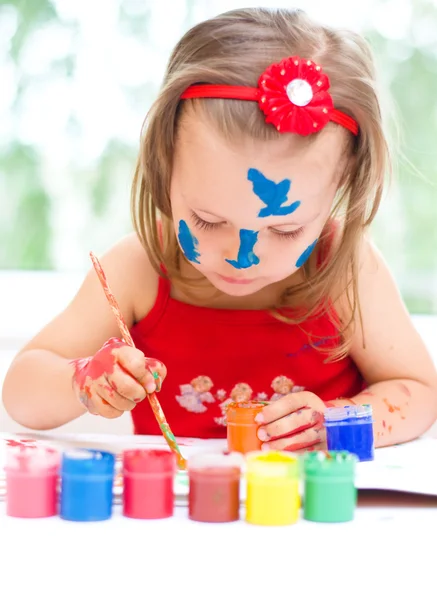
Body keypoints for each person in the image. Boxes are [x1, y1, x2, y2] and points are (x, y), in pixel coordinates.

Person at [3, 8, 437, 452]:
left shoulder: (344, 267)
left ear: (341, 186)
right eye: (208, 221)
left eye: (285, 229)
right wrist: (84, 383)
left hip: (311, 512)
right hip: (177, 515)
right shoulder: (139, 268)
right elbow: (21, 391)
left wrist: (337, 423)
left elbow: (418, 390)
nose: (240, 256)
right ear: (165, 167)